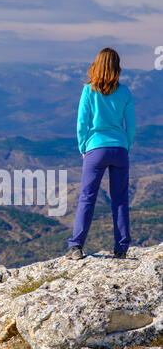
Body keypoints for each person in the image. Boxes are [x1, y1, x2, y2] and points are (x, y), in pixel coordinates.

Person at [67, 47, 136, 260]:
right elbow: (131, 125)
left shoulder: (89, 90)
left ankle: (76, 246)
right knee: (121, 200)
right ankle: (121, 248)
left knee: (88, 198)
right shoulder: (125, 92)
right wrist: (126, 147)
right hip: (120, 149)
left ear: (96, 65)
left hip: (95, 148)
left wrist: (83, 148)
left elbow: (82, 123)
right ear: (117, 68)